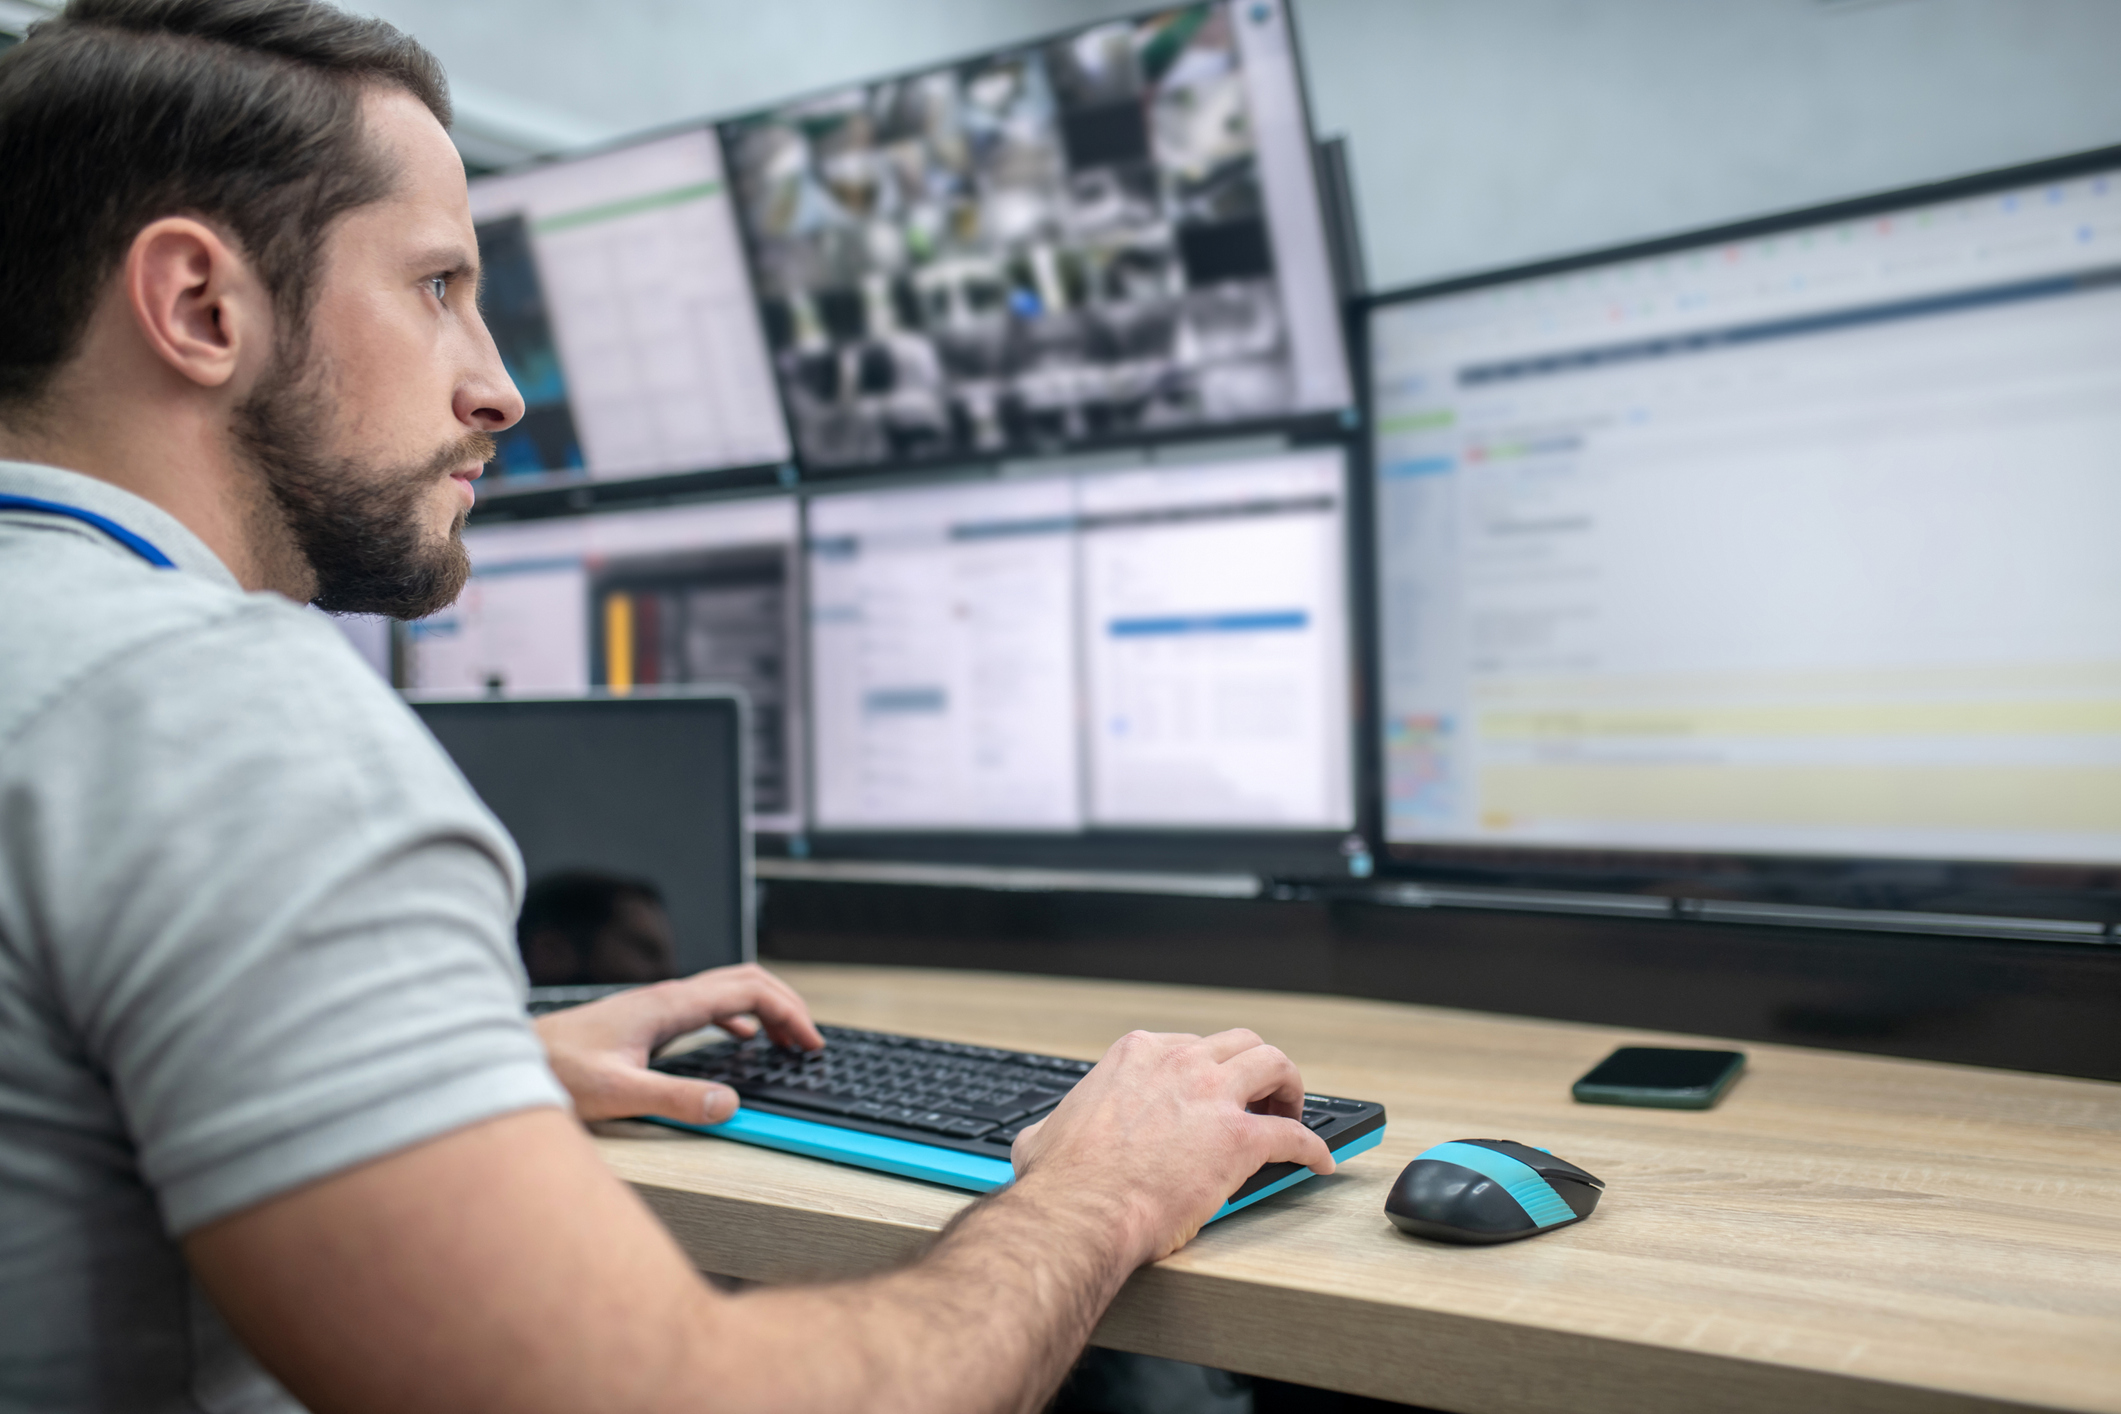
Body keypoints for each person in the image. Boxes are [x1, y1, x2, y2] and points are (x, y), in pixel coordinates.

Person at [0, 3, 1335, 1411]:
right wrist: (1102, 1188)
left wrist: (439, 1076)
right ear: (201, 305)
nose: (499, 389)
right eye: (438, 285)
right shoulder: (217, 712)